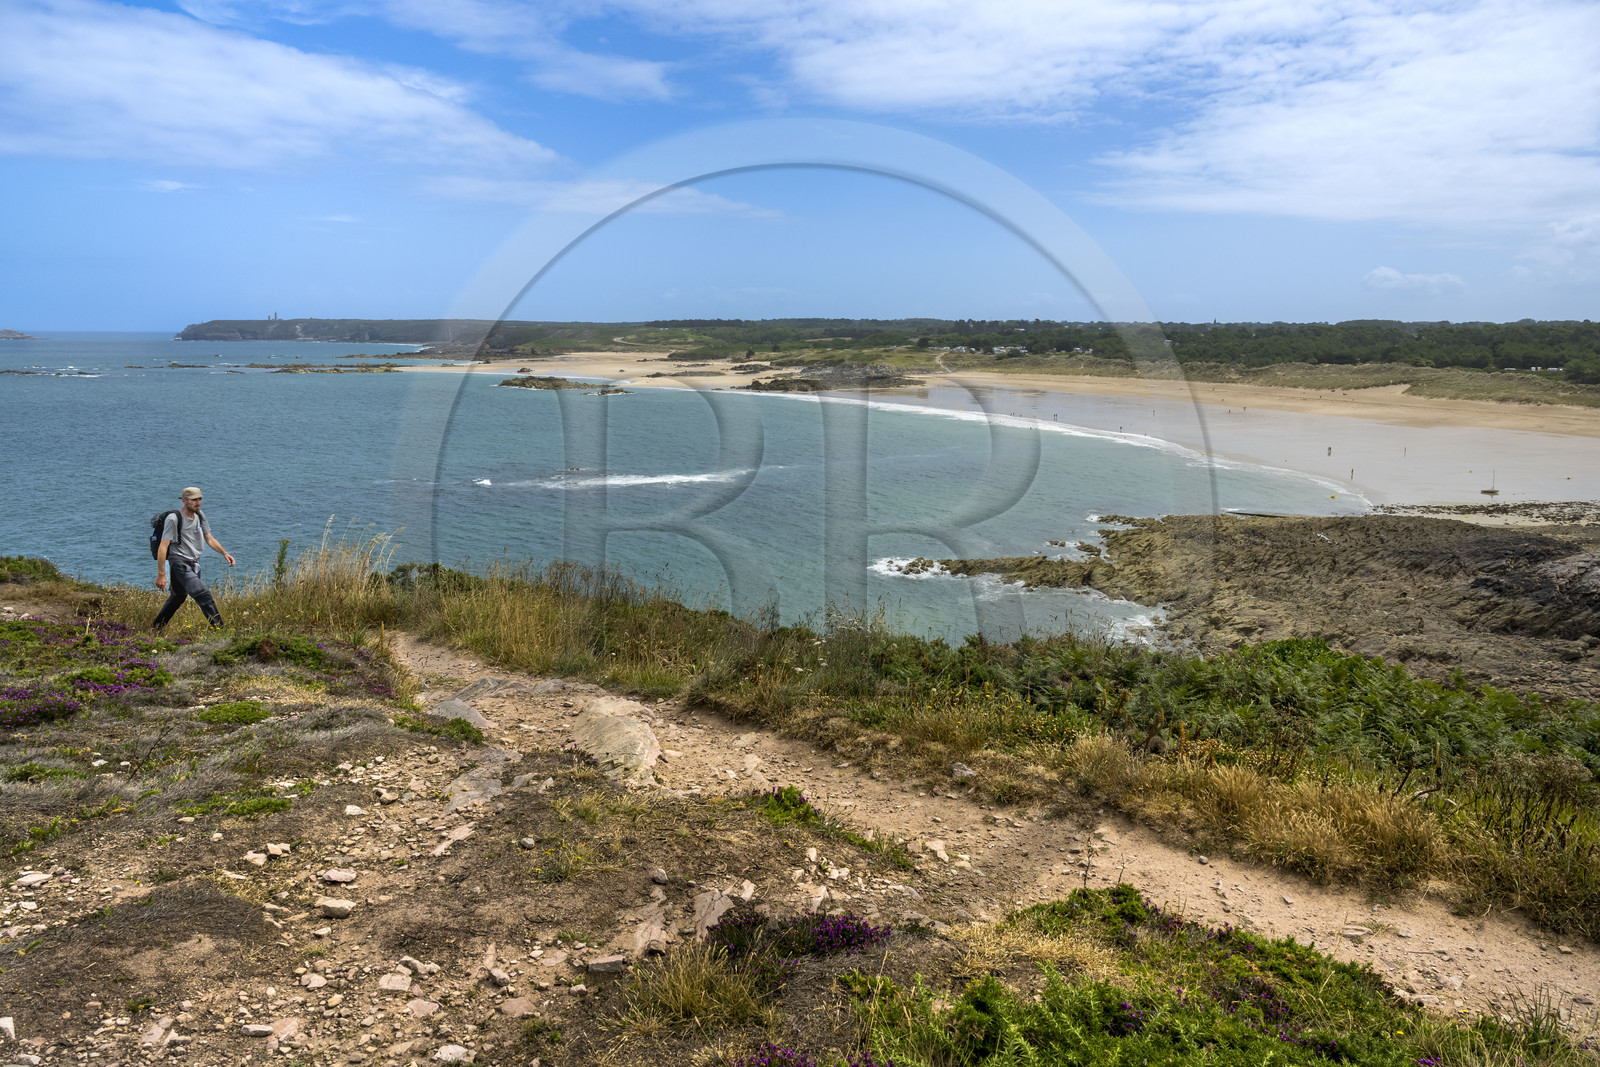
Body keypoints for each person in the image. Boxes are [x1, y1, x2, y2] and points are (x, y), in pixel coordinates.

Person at [153, 487, 234, 630]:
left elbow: (209, 539)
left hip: (194, 562)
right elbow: (163, 546)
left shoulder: (199, 515)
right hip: (179, 562)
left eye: (200, 499)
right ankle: (221, 630)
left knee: (179, 597)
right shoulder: (173, 519)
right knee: (203, 595)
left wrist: (224, 553)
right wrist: (161, 575)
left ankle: (156, 628)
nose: (198, 502)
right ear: (184, 500)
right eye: (194, 500)